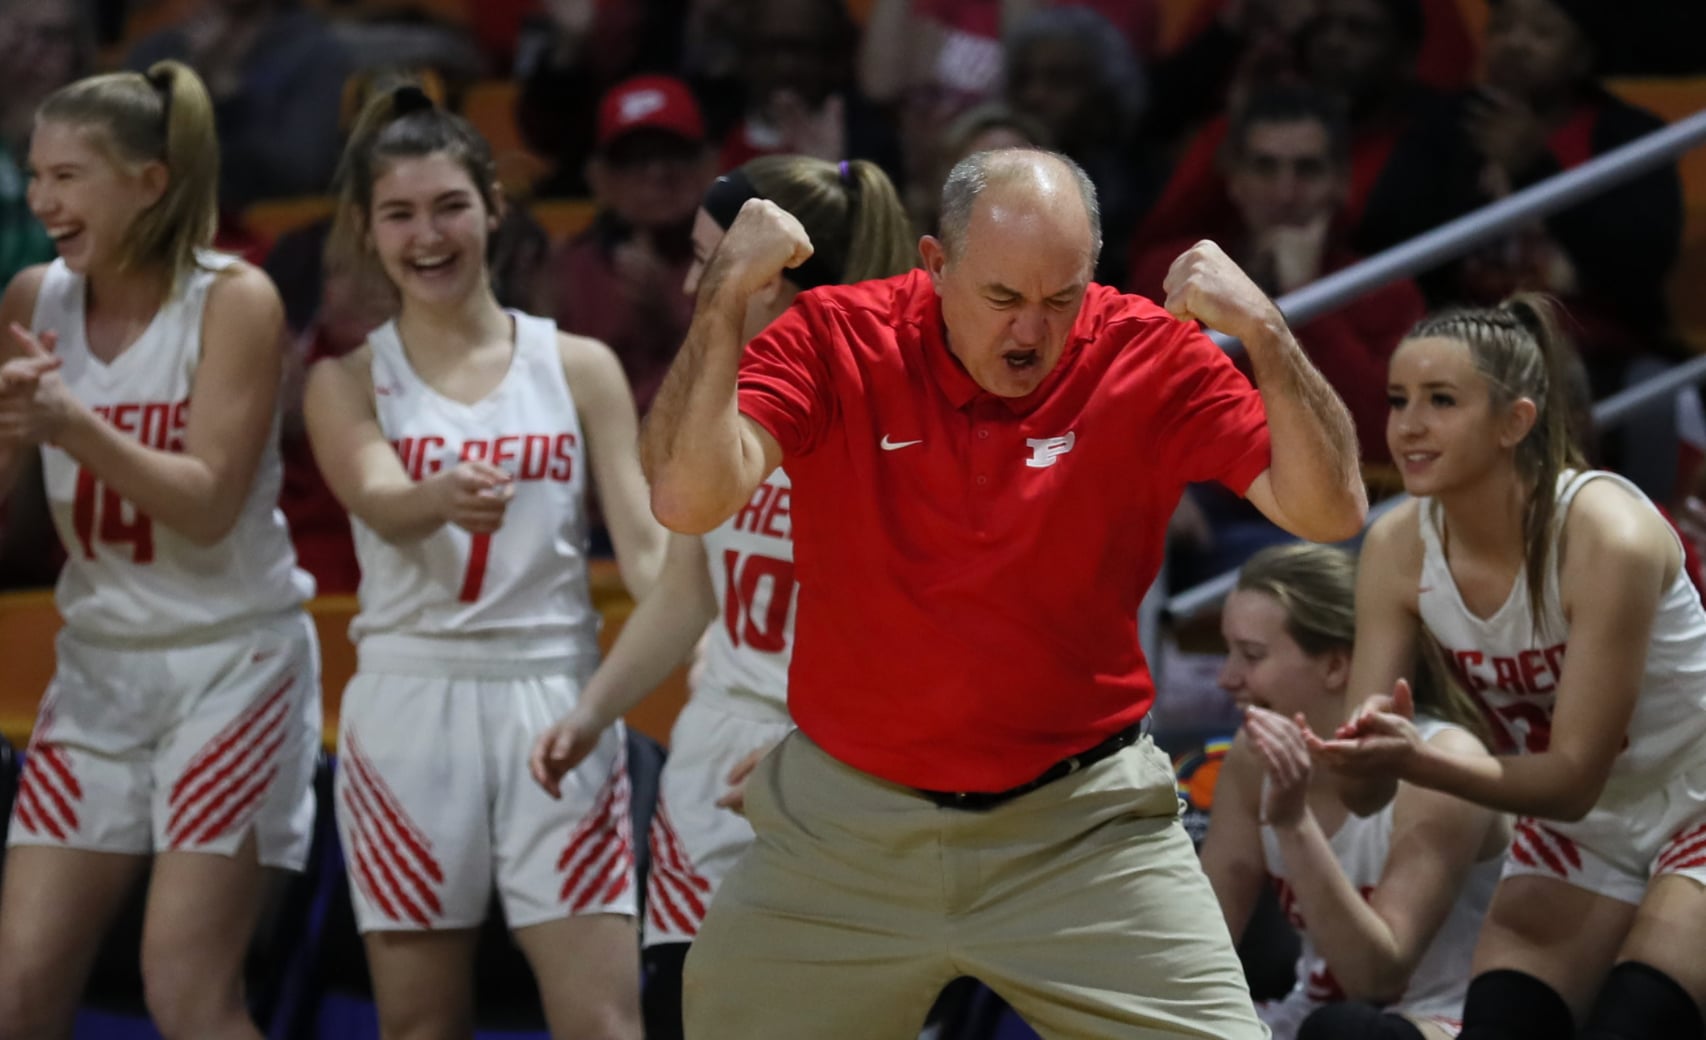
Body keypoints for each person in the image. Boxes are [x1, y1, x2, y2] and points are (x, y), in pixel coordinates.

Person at [640, 145, 1367, 1037]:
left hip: (1083, 834)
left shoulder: (1145, 352)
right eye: (1002, 299)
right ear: (935, 264)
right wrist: (721, 297)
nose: (1030, 333)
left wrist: (1267, 329)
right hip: (847, 837)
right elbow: (685, 496)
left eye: (1060, 299)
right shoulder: (836, 336)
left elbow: (1331, 510)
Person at [301, 84, 665, 1038]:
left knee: (604, 1023)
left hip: (557, 697)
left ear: (495, 208)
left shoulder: (579, 366)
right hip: (410, 705)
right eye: (401, 213)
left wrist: (716, 643)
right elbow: (376, 496)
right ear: (367, 229)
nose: (429, 234)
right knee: (420, 1026)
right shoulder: (343, 382)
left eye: (450, 205)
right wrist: (435, 498)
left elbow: (648, 549)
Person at [530, 152, 916, 1040]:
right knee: (678, 1011)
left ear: (775, 276)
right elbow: (687, 588)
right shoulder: (724, 400)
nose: (691, 279)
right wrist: (594, 711)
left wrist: (818, 749)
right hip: (718, 748)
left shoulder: (893, 420)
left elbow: (921, 638)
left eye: (710, 260)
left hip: (843, 765)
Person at [0, 61, 321, 1039]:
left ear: (149, 179)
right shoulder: (30, 295)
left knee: (184, 988)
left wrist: (72, 422)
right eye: (36, 173)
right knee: (15, 997)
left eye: (69, 176)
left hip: (233, 662)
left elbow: (211, 502)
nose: (43, 200)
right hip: (97, 670)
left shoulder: (234, 298)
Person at [1309, 295, 1706, 1040]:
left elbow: (1574, 774)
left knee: (1639, 1018)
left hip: (1693, 793)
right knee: (1503, 1023)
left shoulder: (1609, 533)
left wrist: (1416, 760)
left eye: (1441, 401)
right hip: (1586, 824)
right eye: (1398, 401)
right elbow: (1363, 795)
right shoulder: (1396, 548)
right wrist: (1358, 756)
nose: (1409, 426)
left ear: (1514, 423)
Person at [1202, 543, 1508, 1040]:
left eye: (1252, 655)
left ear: (1336, 666)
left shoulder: (1442, 763)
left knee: (1348, 1033)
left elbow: (1377, 976)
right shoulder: (1251, 756)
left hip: (1442, 1019)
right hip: (1310, 1015)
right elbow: (1201, 941)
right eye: (1229, 652)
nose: (1227, 677)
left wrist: (1291, 823)